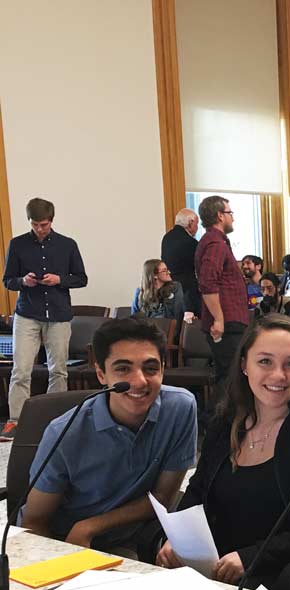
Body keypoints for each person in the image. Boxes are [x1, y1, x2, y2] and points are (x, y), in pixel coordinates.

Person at [157, 314, 290, 585]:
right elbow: (198, 490)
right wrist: (178, 540)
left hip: (282, 579)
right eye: (265, 361)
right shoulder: (226, 421)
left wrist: (254, 556)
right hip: (215, 574)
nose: (279, 375)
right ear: (244, 365)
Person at [21, 318, 196, 558]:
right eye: (123, 369)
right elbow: (35, 521)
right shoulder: (65, 431)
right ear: (101, 374)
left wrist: (90, 526)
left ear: (163, 370)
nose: (139, 381)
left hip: (124, 540)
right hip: (64, 542)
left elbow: (162, 498)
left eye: (151, 368)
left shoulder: (179, 408)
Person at [2, 197, 88, 442]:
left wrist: (60, 279)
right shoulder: (17, 244)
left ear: (51, 220)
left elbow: (81, 278)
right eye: (35, 224)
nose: (40, 229)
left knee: (58, 370)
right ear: (28, 221)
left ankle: (56, 419)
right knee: (20, 370)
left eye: (44, 225)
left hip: (59, 314)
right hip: (27, 313)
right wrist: (23, 281)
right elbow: (7, 280)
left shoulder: (67, 244)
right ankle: (15, 421)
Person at [195, 195, 249, 388]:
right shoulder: (215, 244)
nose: (232, 217)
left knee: (228, 376)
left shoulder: (215, 241)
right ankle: (224, 418)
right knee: (231, 379)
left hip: (229, 320)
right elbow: (208, 282)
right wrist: (218, 318)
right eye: (230, 213)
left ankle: (224, 417)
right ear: (219, 215)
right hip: (227, 322)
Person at [161, 208, 201, 317]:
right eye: (197, 224)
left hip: (169, 290)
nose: (197, 228)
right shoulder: (191, 242)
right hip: (188, 293)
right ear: (190, 223)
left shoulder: (166, 238)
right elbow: (200, 268)